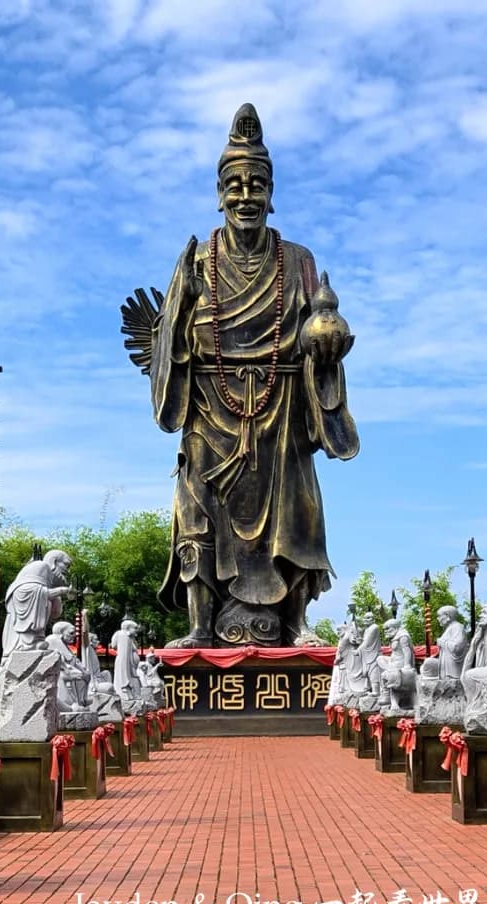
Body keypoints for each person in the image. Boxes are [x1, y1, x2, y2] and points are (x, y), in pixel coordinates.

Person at [146, 103, 359, 646]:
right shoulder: (197, 260)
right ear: (220, 194)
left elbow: (319, 325)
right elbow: (169, 337)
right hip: (209, 405)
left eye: (256, 185)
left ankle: (296, 622)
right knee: (197, 506)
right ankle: (200, 625)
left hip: (281, 403)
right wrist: (183, 302)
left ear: (271, 193)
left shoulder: (298, 260)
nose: (246, 196)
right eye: (235, 186)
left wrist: (327, 341)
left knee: (297, 507)